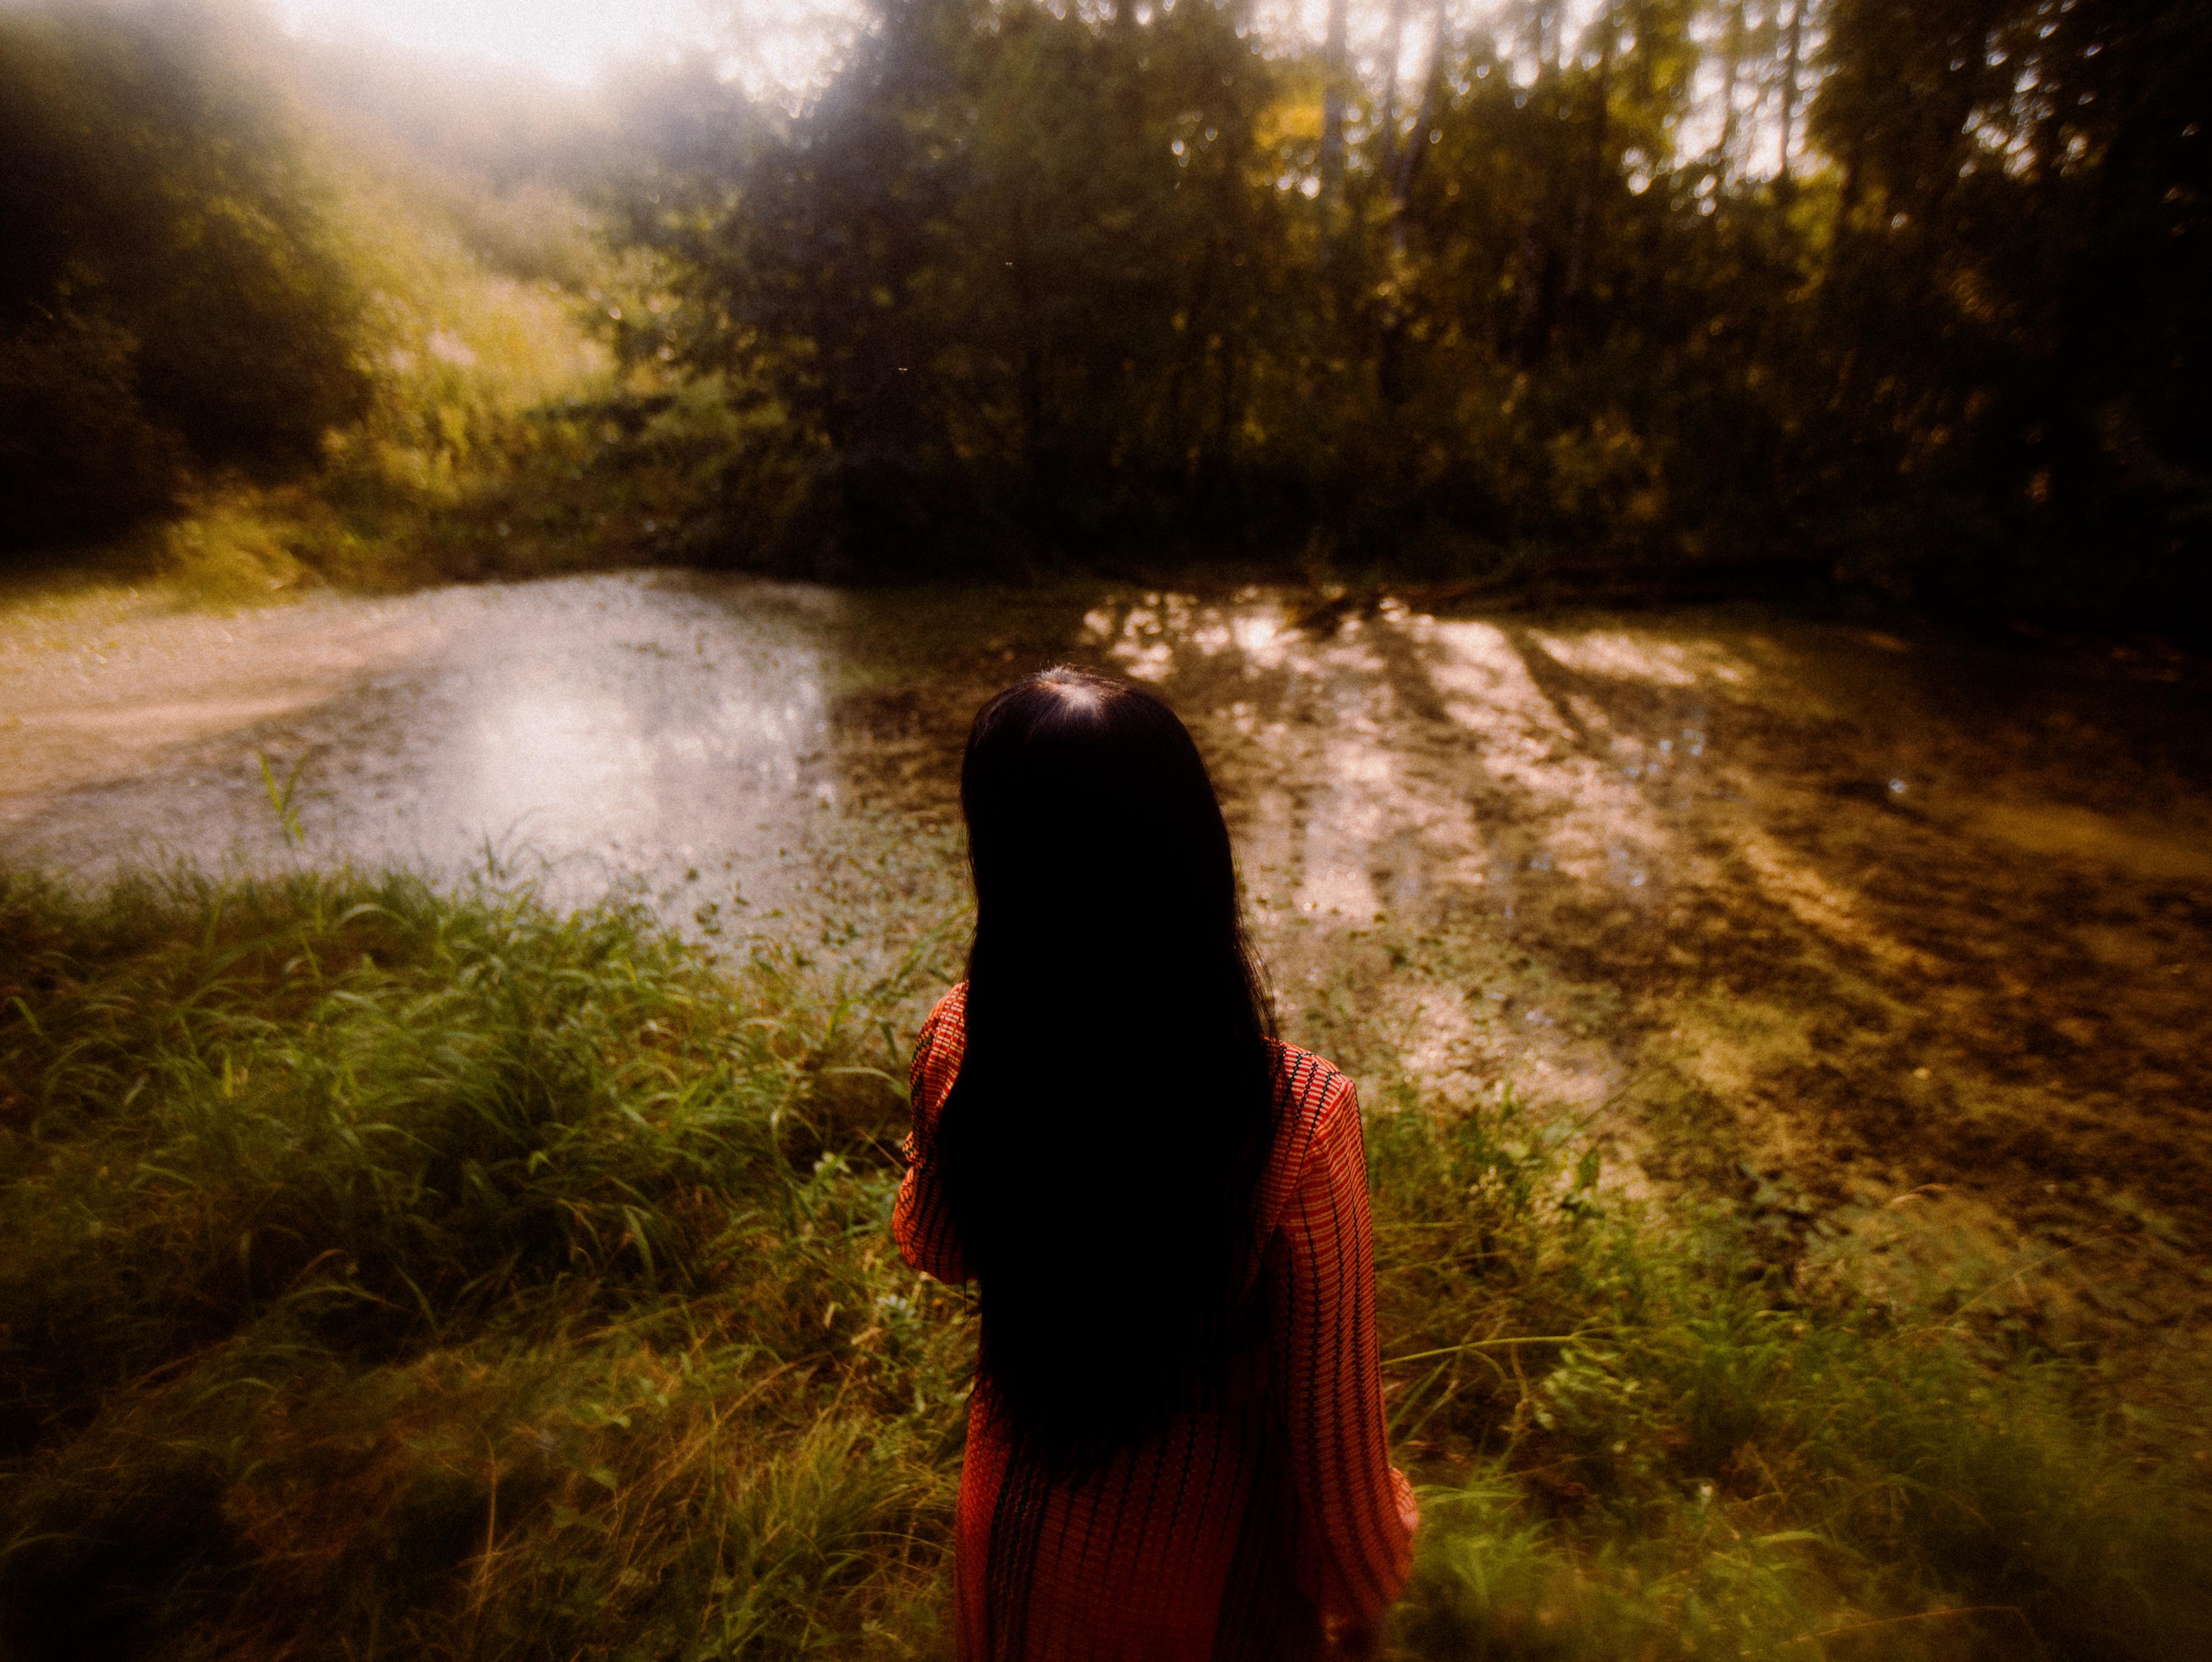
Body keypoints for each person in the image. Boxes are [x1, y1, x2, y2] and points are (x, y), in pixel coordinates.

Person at [894, 666, 1417, 1661]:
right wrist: (1364, 1595)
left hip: (1009, 1540)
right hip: (1203, 1599)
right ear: (1197, 860)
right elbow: (1337, 1463)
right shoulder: (1298, 1117)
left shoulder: (964, 1035)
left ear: (1001, 866)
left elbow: (939, 1245)